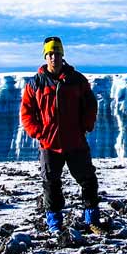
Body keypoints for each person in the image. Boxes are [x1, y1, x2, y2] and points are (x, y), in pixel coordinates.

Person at [20, 36, 102, 236]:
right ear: (45, 56)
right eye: (50, 54)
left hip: (75, 141)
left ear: (62, 55)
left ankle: (92, 219)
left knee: (88, 179)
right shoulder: (35, 84)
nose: (54, 57)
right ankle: (54, 223)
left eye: (57, 53)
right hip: (49, 143)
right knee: (50, 183)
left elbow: (90, 104)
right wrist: (38, 132)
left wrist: (86, 125)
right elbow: (27, 111)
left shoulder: (77, 80)